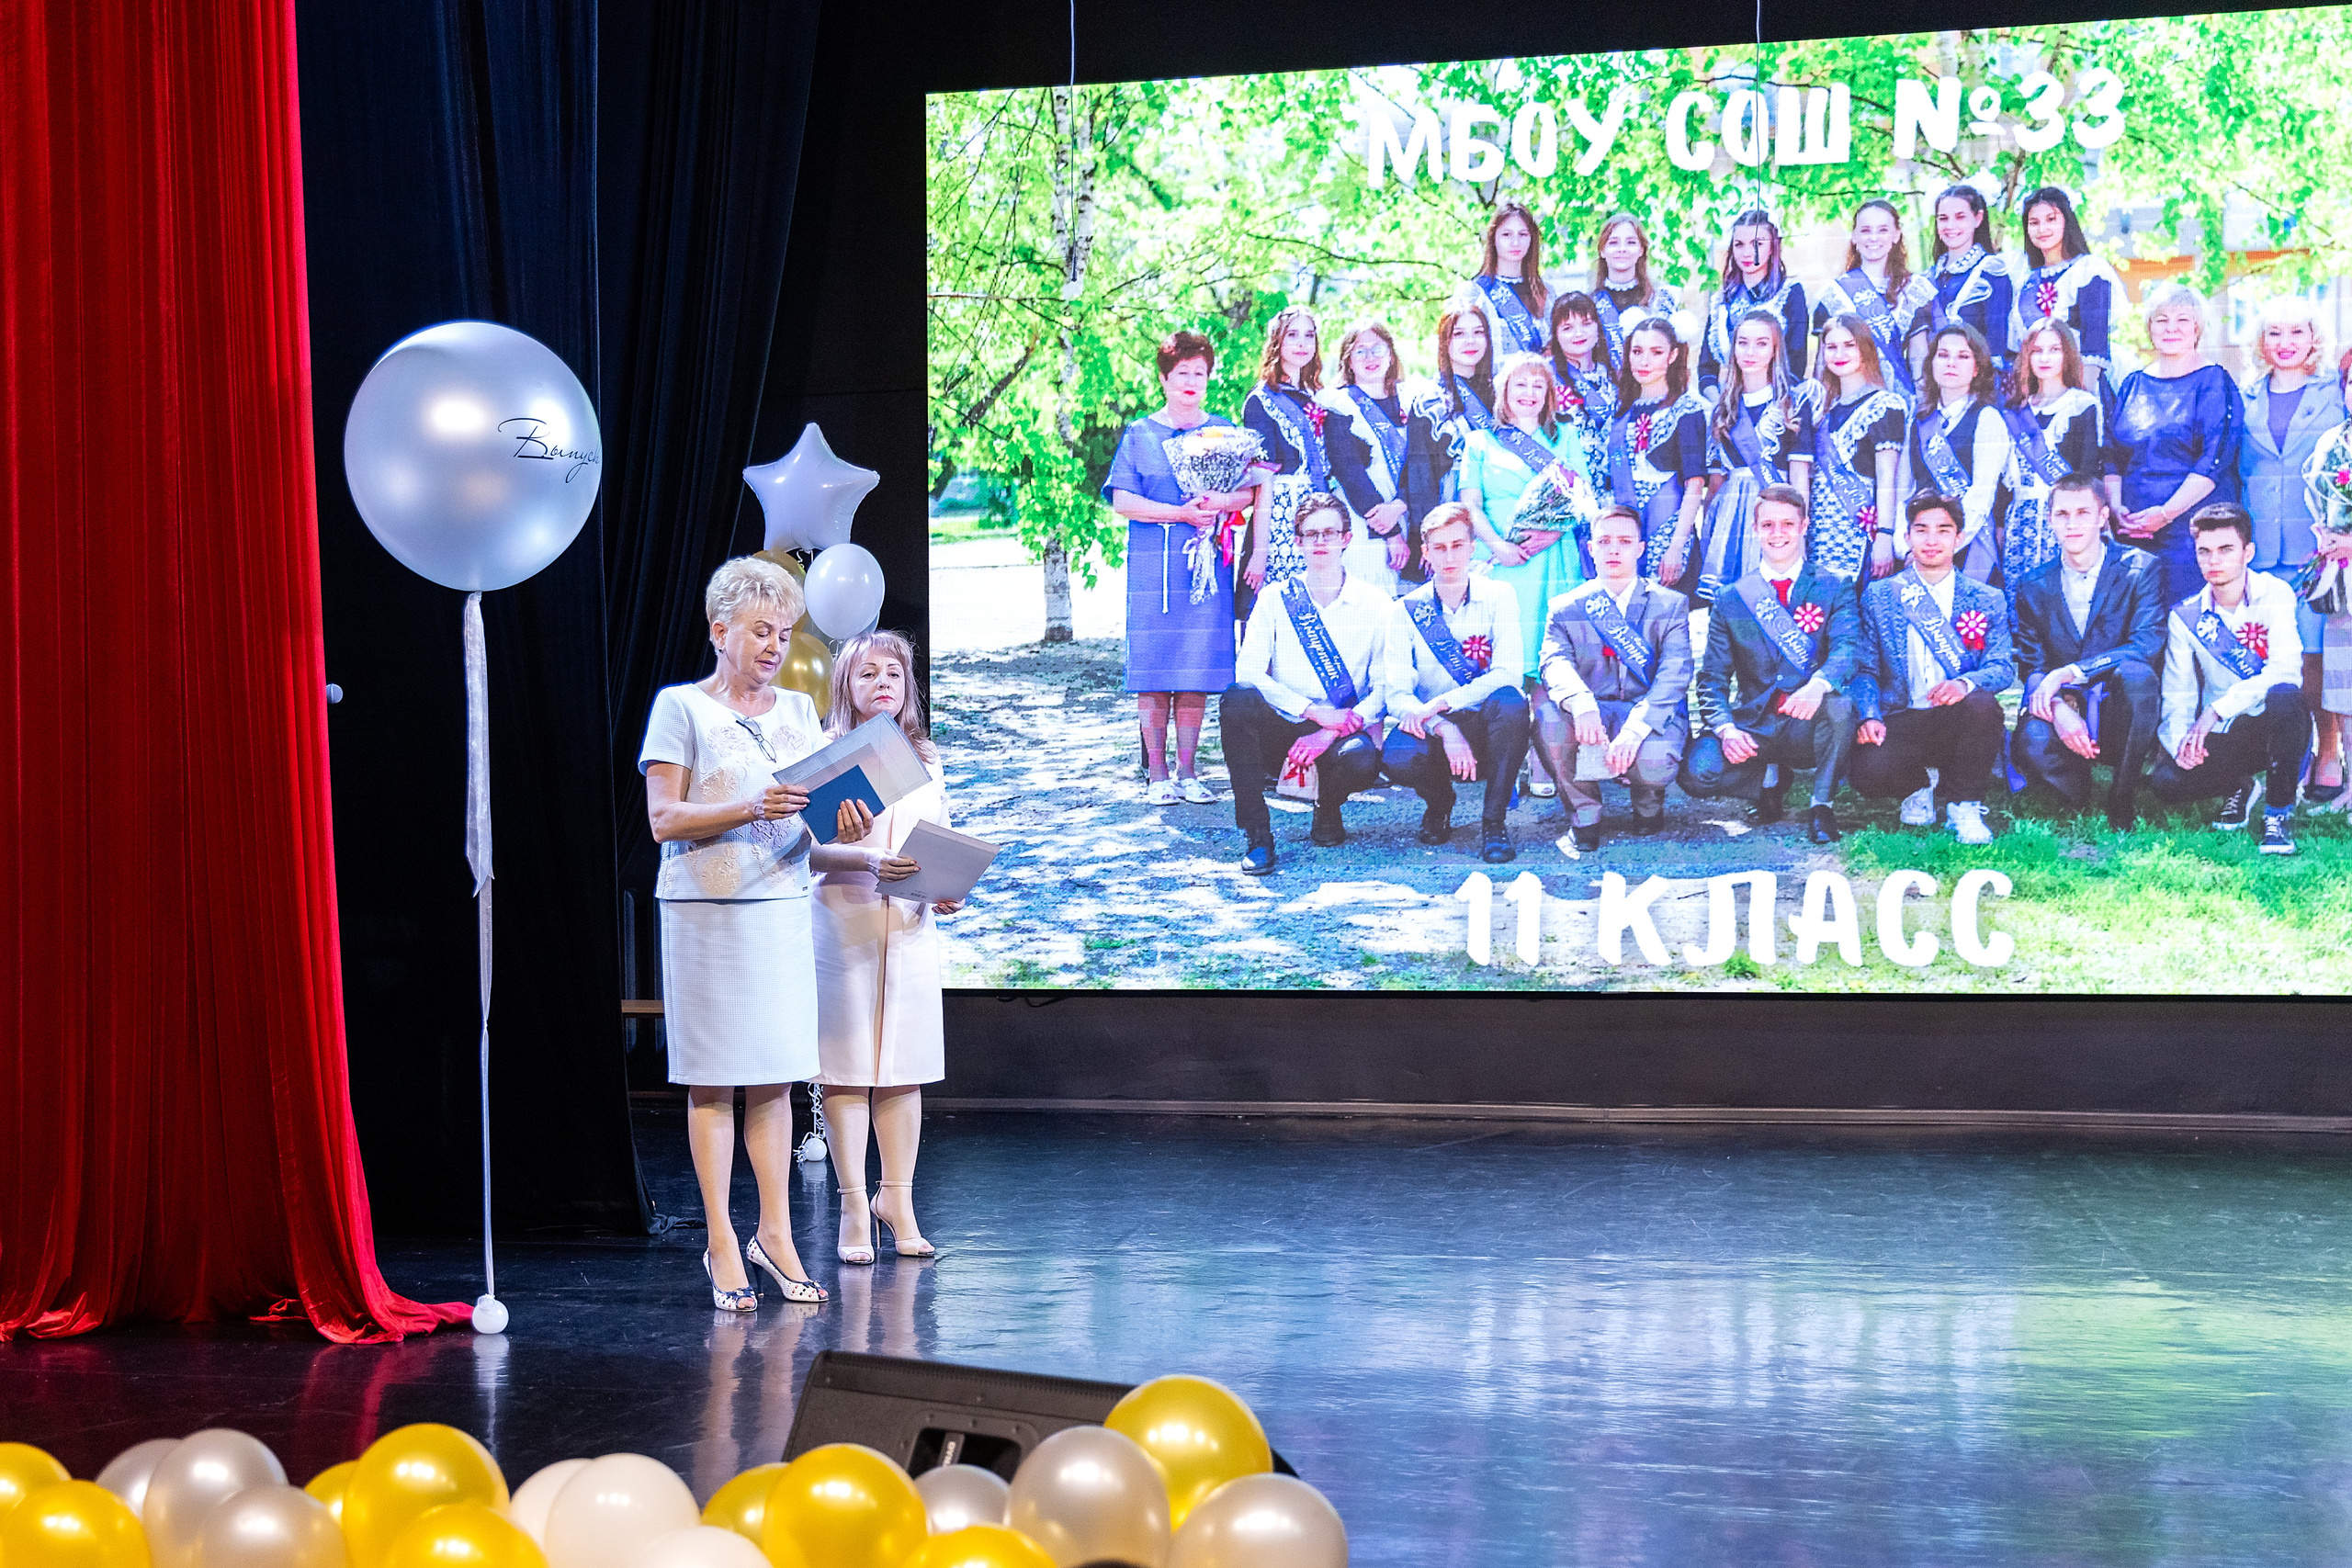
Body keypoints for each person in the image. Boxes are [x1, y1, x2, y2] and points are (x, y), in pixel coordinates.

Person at [639, 556, 829, 1312]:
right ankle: (721, 1237)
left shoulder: (800, 712)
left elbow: (808, 817)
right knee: (715, 1080)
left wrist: (834, 820)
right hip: (707, 910)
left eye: (783, 632)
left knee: (775, 1077)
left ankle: (774, 1234)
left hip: (782, 903)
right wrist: (753, 805)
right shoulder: (680, 707)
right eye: (760, 630)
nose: (775, 645)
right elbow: (664, 819)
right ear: (721, 631)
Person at [810, 631, 956, 1265]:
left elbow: (938, 835)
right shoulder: (821, 752)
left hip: (911, 927)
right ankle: (851, 1205)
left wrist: (948, 887)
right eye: (867, 673)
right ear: (845, 684)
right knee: (845, 1069)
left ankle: (896, 1198)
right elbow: (799, 850)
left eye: (893, 672)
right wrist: (860, 852)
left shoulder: (926, 753)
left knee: (904, 1068)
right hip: (844, 924)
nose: (883, 683)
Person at [1105, 331, 1256, 806]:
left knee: (1195, 670)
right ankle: (1157, 775)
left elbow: (1250, 493)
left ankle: (1189, 773)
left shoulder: (1224, 432)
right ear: (1165, 378)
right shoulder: (1139, 434)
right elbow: (1123, 500)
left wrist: (1218, 502)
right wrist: (1180, 513)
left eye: (1200, 373)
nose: (1191, 381)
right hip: (1155, 563)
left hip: (1207, 561)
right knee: (1154, 672)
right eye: (1182, 373)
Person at [1680, 485, 1859, 842]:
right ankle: (1768, 778)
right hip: (1756, 723)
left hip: (1808, 721)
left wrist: (1818, 685)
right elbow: (1713, 677)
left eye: (1788, 525)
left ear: (1804, 526)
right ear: (1755, 529)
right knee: (1697, 773)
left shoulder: (1833, 585)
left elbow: (1848, 649)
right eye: (1768, 525)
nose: (1778, 534)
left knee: (1841, 707)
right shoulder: (1732, 597)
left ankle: (1821, 804)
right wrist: (1726, 729)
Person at [1222, 492, 1388, 873]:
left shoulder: (1377, 605)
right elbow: (1247, 672)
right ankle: (1258, 835)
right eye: (1311, 534)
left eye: (1330, 533)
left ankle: (1327, 806)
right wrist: (1313, 713)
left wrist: (1328, 730)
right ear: (1297, 541)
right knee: (1236, 700)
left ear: (1347, 538)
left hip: (1339, 734)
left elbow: (1383, 690)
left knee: (1361, 758)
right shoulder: (1274, 599)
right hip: (1283, 727)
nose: (1320, 542)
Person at [1460, 352, 1590, 799]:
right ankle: (1501, 766)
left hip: (1553, 561)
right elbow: (1471, 505)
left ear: (1548, 393)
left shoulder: (1566, 436)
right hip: (1499, 562)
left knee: (1546, 665)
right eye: (1520, 384)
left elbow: (1579, 496)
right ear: (1503, 391)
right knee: (1505, 669)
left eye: (1538, 385)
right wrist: (1499, 546)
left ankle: (1543, 761)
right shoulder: (1480, 442)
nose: (1529, 393)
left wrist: (1546, 538)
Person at [1849, 494, 2016, 844]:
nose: (1931, 540)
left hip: (1958, 720)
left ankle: (1964, 805)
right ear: (1907, 537)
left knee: (1983, 705)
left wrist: (1966, 683)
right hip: (1902, 716)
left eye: (1943, 530)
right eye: (1921, 530)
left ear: (1959, 538)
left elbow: (2002, 668)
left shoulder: (1987, 598)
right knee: (1866, 772)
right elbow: (1864, 668)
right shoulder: (1880, 595)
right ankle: (1918, 786)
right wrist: (1869, 715)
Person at [2148, 503, 2309, 853]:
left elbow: (2286, 671)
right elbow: (2178, 693)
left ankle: (2278, 813)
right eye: (2204, 552)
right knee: (2166, 783)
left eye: (2225, 550)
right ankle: (2240, 787)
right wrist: (2180, 746)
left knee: (2284, 694)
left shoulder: (2275, 593)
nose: (2213, 561)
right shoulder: (2186, 616)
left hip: (2276, 724)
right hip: (2226, 736)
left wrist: (2216, 710)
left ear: (2247, 552)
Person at [2009, 475, 2167, 830]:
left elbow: (2146, 645)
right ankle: (2075, 787)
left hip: (2121, 709)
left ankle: (2122, 794)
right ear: (2049, 519)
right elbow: (2032, 665)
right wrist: (2058, 707)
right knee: (2033, 740)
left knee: (2139, 676)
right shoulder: (2032, 584)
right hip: (2068, 704)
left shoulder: (2141, 568)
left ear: (2102, 517)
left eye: (2083, 512)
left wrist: (2070, 672)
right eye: (2062, 514)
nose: (2072, 523)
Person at [1379, 503, 1530, 863]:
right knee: (1397, 755)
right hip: (1434, 727)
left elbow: (1509, 673)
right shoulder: (1404, 610)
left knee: (1513, 704)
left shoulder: (1499, 596)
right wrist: (1442, 725)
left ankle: (1493, 823)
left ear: (1472, 546)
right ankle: (1439, 803)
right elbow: (1397, 694)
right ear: (1425, 552)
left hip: (1485, 720)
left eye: (1458, 545)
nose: (1450, 556)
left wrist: (1445, 703)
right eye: (1440, 548)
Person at [1537, 505, 1693, 849]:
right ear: (1590, 549)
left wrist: (1636, 729)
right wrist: (1580, 702)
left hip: (1645, 713)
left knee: (1653, 762)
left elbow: (1675, 673)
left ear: (1640, 548)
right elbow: (1553, 662)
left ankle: (1648, 803)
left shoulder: (1670, 605)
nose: (1614, 549)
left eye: (1624, 541)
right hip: (1592, 714)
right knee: (1548, 717)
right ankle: (1584, 813)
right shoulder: (1566, 607)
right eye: (1604, 541)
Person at [2238, 295, 2346, 797]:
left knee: (2319, 655)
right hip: (2261, 547)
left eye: (2296, 333)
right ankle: (2291, 753)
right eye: (2275, 334)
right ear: (2262, 342)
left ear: (2313, 340)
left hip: (2318, 547)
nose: (2285, 344)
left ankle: (2328, 750)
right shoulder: (2246, 395)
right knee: (2283, 657)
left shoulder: (2334, 392)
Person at [2107, 282, 2243, 605]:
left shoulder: (2214, 381)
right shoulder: (2132, 383)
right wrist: (2116, 508)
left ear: (2197, 328)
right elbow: (2112, 454)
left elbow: (2215, 459)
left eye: (2182, 320)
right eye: (2161, 319)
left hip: (2193, 536)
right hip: (2134, 534)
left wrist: (2166, 513)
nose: (2171, 328)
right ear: (2149, 327)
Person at [1701, 310, 1817, 604]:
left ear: (1776, 349)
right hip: (1730, 516)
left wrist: (1801, 528)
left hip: (1776, 509)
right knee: (1734, 604)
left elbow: (1799, 475)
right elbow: (1715, 482)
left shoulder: (1793, 402)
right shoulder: (1723, 409)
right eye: (1743, 343)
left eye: (1761, 344)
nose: (1751, 352)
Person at [1322, 320, 1446, 596]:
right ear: (1348, 362)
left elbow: (1425, 464)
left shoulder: (1413, 399)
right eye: (1360, 351)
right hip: (1364, 517)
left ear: (1391, 354)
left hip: (1409, 511)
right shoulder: (1338, 404)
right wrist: (1389, 533)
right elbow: (1349, 471)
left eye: (1377, 349)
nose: (1370, 358)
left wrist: (1400, 504)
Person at [2003, 318, 2109, 604]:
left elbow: (2087, 472)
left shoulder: (2081, 405)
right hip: (2020, 522)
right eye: (2037, 350)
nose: (2045, 358)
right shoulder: (2014, 412)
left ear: (2068, 355)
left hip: (2064, 522)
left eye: (2055, 350)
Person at [1242, 305, 1338, 604]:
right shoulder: (1261, 401)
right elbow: (1262, 481)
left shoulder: (1318, 397)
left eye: (1309, 336)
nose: (1301, 343)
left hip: (1319, 517)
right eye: (1292, 335)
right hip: (1280, 524)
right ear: (1277, 342)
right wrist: (1260, 553)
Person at [1605, 317, 1710, 591]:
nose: (1644, 361)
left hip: (1667, 533)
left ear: (1673, 355)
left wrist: (1675, 547)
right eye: (1637, 352)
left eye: (1656, 352)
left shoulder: (1686, 410)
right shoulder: (1619, 411)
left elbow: (1695, 485)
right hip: (1623, 538)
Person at [1907, 323, 2011, 583]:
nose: (1951, 363)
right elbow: (1903, 490)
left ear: (1977, 368)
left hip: (1971, 550)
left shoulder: (1988, 419)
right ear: (1931, 364)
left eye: (1963, 356)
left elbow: (1982, 495)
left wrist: (1945, 545)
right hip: (1920, 553)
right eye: (1943, 355)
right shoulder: (1919, 421)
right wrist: (1906, 545)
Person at [1810, 315, 1909, 581]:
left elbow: (1889, 476)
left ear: (1865, 348)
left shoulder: (1885, 405)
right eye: (1831, 347)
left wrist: (1885, 536)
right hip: (1818, 531)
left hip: (1860, 534)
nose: (1839, 354)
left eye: (1849, 345)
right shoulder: (1821, 410)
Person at [1814, 199, 1933, 399]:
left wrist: (1922, 408)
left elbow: (1918, 358)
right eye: (1866, 230)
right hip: (1848, 403)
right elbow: (1822, 362)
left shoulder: (1914, 290)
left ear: (1896, 235)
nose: (1874, 238)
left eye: (1883, 230)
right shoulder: (1834, 294)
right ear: (1854, 236)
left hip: (1899, 403)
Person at [2010, 187, 2124, 390]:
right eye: (2034, 223)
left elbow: (2095, 344)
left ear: (2067, 222)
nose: (2042, 228)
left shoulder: (2088, 270)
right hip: (2033, 392)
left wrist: (2081, 399)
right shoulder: (2024, 279)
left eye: (2051, 219)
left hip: (2077, 387)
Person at [1698, 208, 1807, 400]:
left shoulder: (1790, 292)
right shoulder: (1721, 301)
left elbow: (1796, 360)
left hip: (1777, 402)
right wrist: (1720, 404)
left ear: (1773, 245)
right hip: (1727, 403)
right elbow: (1706, 367)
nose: (1747, 253)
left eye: (1757, 244)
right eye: (1739, 244)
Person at [1921, 185, 2014, 368]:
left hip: (1979, 383)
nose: (1950, 226)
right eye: (1943, 219)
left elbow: (1996, 341)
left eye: (1960, 217)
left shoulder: (1992, 272)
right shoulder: (1926, 278)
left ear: (1978, 218)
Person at [1448, 202, 1553, 358]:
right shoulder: (1473, 293)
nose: (1515, 242)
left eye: (1523, 234)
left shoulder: (1546, 292)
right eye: (1506, 234)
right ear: (1493, 238)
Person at [1547, 292, 1618, 506]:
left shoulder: (1614, 376)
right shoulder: (1546, 378)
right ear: (1556, 336)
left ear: (1598, 328)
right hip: (1567, 489)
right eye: (1567, 328)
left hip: (1612, 488)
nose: (1579, 333)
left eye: (1586, 324)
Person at [1589, 213, 1679, 369]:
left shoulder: (1660, 300)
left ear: (1641, 250)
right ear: (1602, 251)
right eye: (1613, 243)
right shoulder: (1589, 305)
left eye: (1630, 242)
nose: (1622, 249)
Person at [1427, 308, 1498, 472]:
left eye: (1478, 332)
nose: (1470, 341)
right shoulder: (1430, 399)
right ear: (1444, 341)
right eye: (1459, 334)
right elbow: (1421, 473)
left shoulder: (1502, 391)